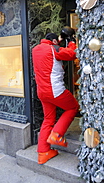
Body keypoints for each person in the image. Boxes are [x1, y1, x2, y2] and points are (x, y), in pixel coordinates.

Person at [32, 27, 79, 164]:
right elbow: (72, 54)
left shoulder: (36, 50)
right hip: (55, 90)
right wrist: (71, 41)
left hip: (42, 91)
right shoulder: (54, 49)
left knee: (48, 119)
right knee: (72, 108)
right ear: (53, 41)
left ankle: (43, 152)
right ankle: (57, 135)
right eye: (56, 41)